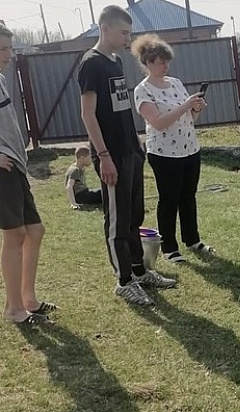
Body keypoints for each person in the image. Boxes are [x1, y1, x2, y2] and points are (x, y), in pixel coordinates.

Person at [78, 5, 175, 307]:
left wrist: (136, 147)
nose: (127, 38)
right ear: (104, 28)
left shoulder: (116, 61)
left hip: (130, 151)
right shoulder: (91, 64)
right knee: (117, 221)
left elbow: (119, 109)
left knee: (134, 215)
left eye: (129, 33)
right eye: (123, 32)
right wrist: (104, 155)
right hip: (111, 155)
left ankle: (138, 270)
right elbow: (88, 114)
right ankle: (123, 282)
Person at [131, 33, 213, 264]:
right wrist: (186, 105)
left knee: (189, 196)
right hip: (164, 153)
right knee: (169, 199)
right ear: (148, 63)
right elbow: (158, 122)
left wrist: (195, 108)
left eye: (167, 61)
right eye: (160, 62)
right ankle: (169, 246)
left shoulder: (176, 83)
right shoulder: (143, 90)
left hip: (190, 148)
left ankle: (193, 239)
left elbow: (188, 118)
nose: (165, 66)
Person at [0, 24, 56, 325]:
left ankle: (28, 299)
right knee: (15, 234)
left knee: (34, 230)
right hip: (3, 169)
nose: (9, 55)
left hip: (16, 167)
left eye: (9, 48)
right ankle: (13, 309)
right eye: (2, 49)